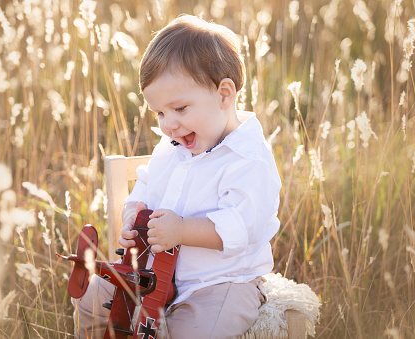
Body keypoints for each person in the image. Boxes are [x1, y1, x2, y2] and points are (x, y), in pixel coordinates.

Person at [73, 14, 282, 339]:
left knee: (195, 331)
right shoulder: (172, 145)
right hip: (154, 278)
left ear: (224, 95)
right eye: (159, 112)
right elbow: (143, 189)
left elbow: (240, 228)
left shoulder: (248, 159)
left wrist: (181, 230)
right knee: (90, 297)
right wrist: (133, 219)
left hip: (221, 284)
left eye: (180, 109)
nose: (168, 123)